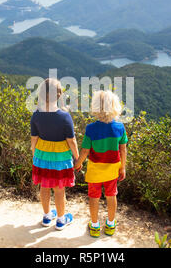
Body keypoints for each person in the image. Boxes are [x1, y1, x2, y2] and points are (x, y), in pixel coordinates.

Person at [74, 90, 128, 238]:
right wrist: (123, 167)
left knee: (94, 197)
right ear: (115, 106)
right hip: (112, 169)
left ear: (96, 107)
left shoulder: (91, 128)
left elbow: (85, 151)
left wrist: (77, 164)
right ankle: (110, 225)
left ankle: (95, 226)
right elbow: (123, 150)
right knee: (111, 195)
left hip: (95, 170)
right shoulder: (120, 127)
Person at [30, 78, 79, 230]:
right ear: (59, 95)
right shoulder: (64, 117)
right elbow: (71, 140)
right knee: (59, 190)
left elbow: (34, 139)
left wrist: (34, 153)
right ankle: (60, 219)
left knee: (44, 187)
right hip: (60, 157)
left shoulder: (36, 115)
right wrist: (77, 157)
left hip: (42, 156)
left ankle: (46, 217)